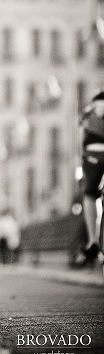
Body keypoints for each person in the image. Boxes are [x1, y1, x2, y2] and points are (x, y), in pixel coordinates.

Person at [72, 91, 104, 267]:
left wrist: (79, 164)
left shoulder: (88, 111)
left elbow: (80, 142)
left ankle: (93, 243)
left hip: (93, 154)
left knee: (91, 195)